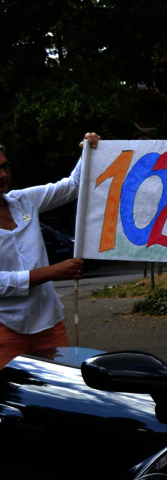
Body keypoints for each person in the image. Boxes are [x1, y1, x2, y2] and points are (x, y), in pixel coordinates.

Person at [0, 133, 100, 367]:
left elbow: (73, 186)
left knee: (62, 396)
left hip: (48, 324)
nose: (3, 175)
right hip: (5, 330)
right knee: (9, 400)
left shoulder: (24, 200)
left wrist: (88, 150)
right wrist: (53, 272)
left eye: (5, 167)